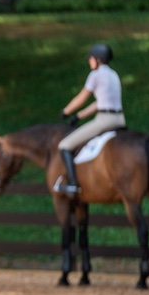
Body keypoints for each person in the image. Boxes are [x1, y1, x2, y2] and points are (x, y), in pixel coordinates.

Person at [55, 43, 125, 198]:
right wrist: (78, 116)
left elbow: (82, 97)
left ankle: (73, 185)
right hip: (119, 120)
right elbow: (100, 103)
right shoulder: (113, 74)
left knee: (64, 145)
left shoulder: (95, 75)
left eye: (91, 58)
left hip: (104, 120)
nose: (89, 61)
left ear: (98, 60)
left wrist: (66, 111)